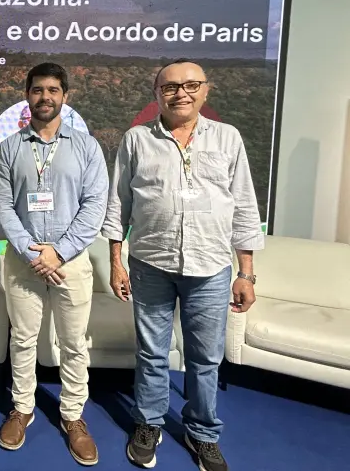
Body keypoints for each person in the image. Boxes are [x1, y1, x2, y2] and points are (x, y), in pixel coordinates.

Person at [102, 59, 263, 471]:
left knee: (205, 358)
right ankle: (149, 422)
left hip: (211, 267)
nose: (181, 93)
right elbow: (119, 203)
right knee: (152, 353)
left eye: (191, 85)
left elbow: (244, 206)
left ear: (206, 90)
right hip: (150, 263)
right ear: (157, 94)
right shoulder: (137, 139)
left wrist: (245, 272)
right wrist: (116, 262)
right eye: (170, 87)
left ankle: (202, 433)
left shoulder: (227, 138)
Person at [0, 62, 109, 466]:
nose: (45, 97)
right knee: (23, 340)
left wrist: (59, 252)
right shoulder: (9, 149)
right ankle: (22, 408)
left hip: (70, 262)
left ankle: (73, 415)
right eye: (38, 90)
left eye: (53, 90)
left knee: (73, 343)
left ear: (65, 96)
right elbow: (2, 205)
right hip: (23, 263)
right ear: (27, 95)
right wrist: (31, 251)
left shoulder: (87, 147)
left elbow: (95, 206)